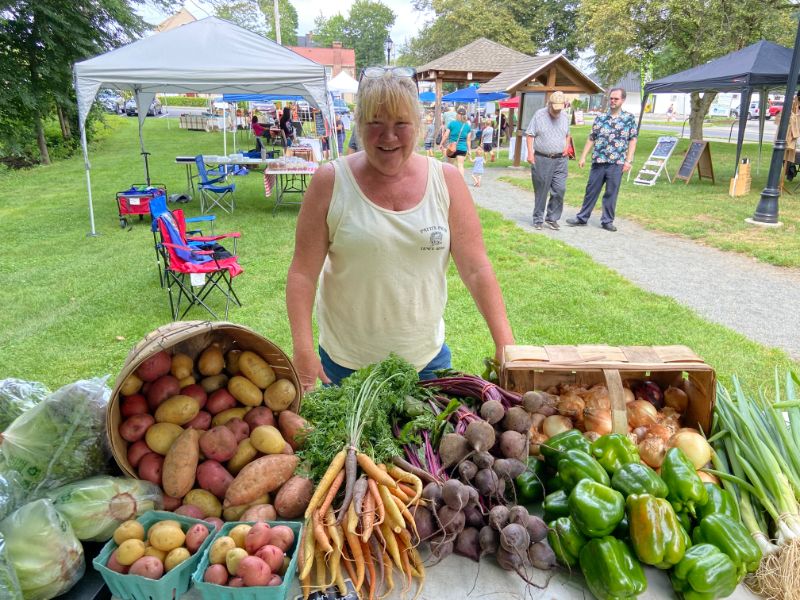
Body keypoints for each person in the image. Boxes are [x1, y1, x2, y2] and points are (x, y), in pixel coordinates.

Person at [285, 66, 514, 390]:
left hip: (426, 362)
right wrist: (303, 348)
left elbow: (476, 268)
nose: (388, 136)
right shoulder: (331, 181)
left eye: (400, 124)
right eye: (375, 123)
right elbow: (302, 274)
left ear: (418, 126)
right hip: (346, 366)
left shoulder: (446, 180)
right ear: (359, 124)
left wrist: (505, 343)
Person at [567, 87, 638, 232]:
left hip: (616, 162)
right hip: (599, 160)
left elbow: (633, 140)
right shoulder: (600, 118)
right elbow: (592, 137)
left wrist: (628, 160)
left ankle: (607, 221)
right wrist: (583, 156)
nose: (612, 101)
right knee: (591, 190)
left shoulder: (628, 118)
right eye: (611, 98)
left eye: (616, 99)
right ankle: (582, 217)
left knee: (611, 192)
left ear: (622, 100)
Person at [524, 90, 571, 230]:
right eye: (554, 109)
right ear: (549, 104)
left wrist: (567, 146)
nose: (556, 112)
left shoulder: (564, 116)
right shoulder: (539, 115)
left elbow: (568, 134)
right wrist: (530, 154)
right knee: (542, 189)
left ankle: (552, 217)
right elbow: (530, 134)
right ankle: (538, 218)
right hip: (542, 157)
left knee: (560, 189)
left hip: (561, 159)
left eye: (559, 109)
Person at [443, 106, 473, 176]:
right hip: (462, 148)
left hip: (452, 148)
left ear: (457, 114)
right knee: (460, 165)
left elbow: (446, 135)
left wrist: (441, 143)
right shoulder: (467, 126)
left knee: (450, 165)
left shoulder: (452, 123)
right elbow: (468, 140)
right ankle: (461, 181)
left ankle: (449, 180)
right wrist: (469, 150)